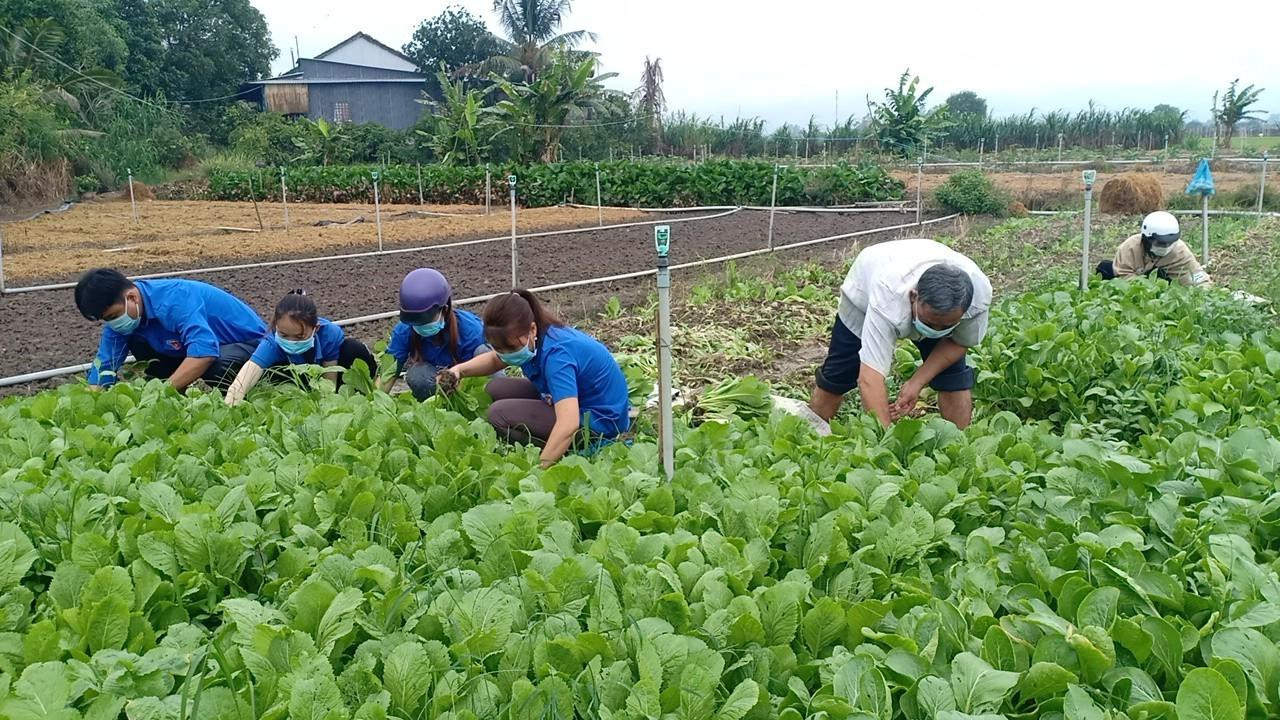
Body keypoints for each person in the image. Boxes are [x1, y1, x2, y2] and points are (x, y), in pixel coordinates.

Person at [809, 238, 992, 429]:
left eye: (946, 326)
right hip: (864, 291)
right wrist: (888, 440)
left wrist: (916, 382)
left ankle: (959, 440)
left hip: (918, 275)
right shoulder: (887, 298)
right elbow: (870, 378)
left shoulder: (977, 298)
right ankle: (814, 431)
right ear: (914, 297)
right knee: (838, 375)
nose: (935, 331)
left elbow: (960, 342)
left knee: (953, 377)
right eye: (930, 323)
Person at [443, 289, 630, 467]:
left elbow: (569, 423)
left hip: (599, 421)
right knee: (494, 389)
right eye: (499, 349)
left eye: (511, 348)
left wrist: (541, 470)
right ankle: (551, 441)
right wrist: (458, 371)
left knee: (498, 414)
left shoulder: (558, 356)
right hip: (575, 400)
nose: (506, 355)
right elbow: (495, 360)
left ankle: (554, 451)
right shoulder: (537, 336)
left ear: (532, 329)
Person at [75, 268, 266, 392]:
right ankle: (177, 398)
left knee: (216, 365)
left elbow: (204, 354)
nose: (113, 323)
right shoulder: (121, 318)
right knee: (138, 342)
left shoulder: (175, 300)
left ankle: (240, 398)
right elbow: (104, 366)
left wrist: (161, 393)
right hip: (195, 348)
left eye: (113, 316)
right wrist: (93, 401)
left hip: (252, 347)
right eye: (106, 320)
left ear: (131, 297)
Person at [223, 290, 377, 405]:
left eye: (299, 337)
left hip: (326, 376)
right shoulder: (272, 342)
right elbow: (244, 378)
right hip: (295, 380)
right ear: (276, 326)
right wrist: (231, 402)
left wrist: (327, 406)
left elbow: (329, 381)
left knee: (353, 349)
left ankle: (367, 395)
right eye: (284, 335)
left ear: (315, 328)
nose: (291, 341)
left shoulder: (329, 334)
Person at [381, 268, 489, 399]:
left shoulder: (471, 330)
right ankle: (439, 405)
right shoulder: (404, 330)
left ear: (445, 309)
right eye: (416, 322)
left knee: (483, 352)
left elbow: (487, 364)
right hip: (434, 382)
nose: (421, 326)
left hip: (469, 382)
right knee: (417, 376)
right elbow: (389, 371)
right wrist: (376, 401)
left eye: (426, 321)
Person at [1096, 211, 1212, 287]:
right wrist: (1147, 287)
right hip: (1135, 288)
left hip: (1165, 291)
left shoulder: (1179, 251)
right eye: (1161, 243)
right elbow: (1122, 275)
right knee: (1105, 268)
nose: (1166, 247)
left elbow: (1198, 279)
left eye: (1170, 243)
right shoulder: (1130, 247)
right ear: (1147, 239)